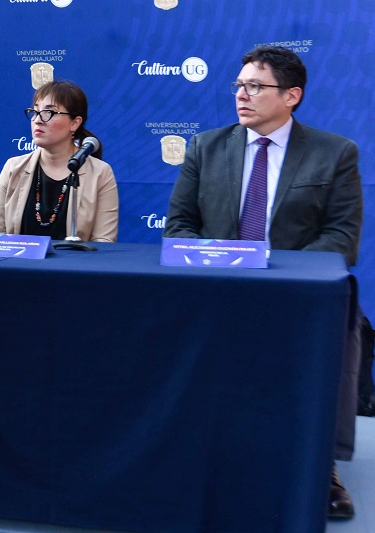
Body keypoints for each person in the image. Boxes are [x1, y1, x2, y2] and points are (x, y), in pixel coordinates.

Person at [164, 45, 363, 520]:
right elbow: (179, 226)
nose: (242, 95)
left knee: (337, 325)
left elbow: (341, 237)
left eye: (255, 86)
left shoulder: (334, 153)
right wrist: (223, 264)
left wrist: (275, 275)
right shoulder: (206, 147)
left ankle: (322, 466)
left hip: (296, 296)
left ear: (291, 95)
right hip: (218, 290)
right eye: (239, 85)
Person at [0, 80, 118, 240]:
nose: (38, 120)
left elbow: (104, 242)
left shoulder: (100, 173)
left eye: (49, 112)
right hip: (17, 257)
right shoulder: (13, 168)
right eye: (35, 112)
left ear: (75, 123)